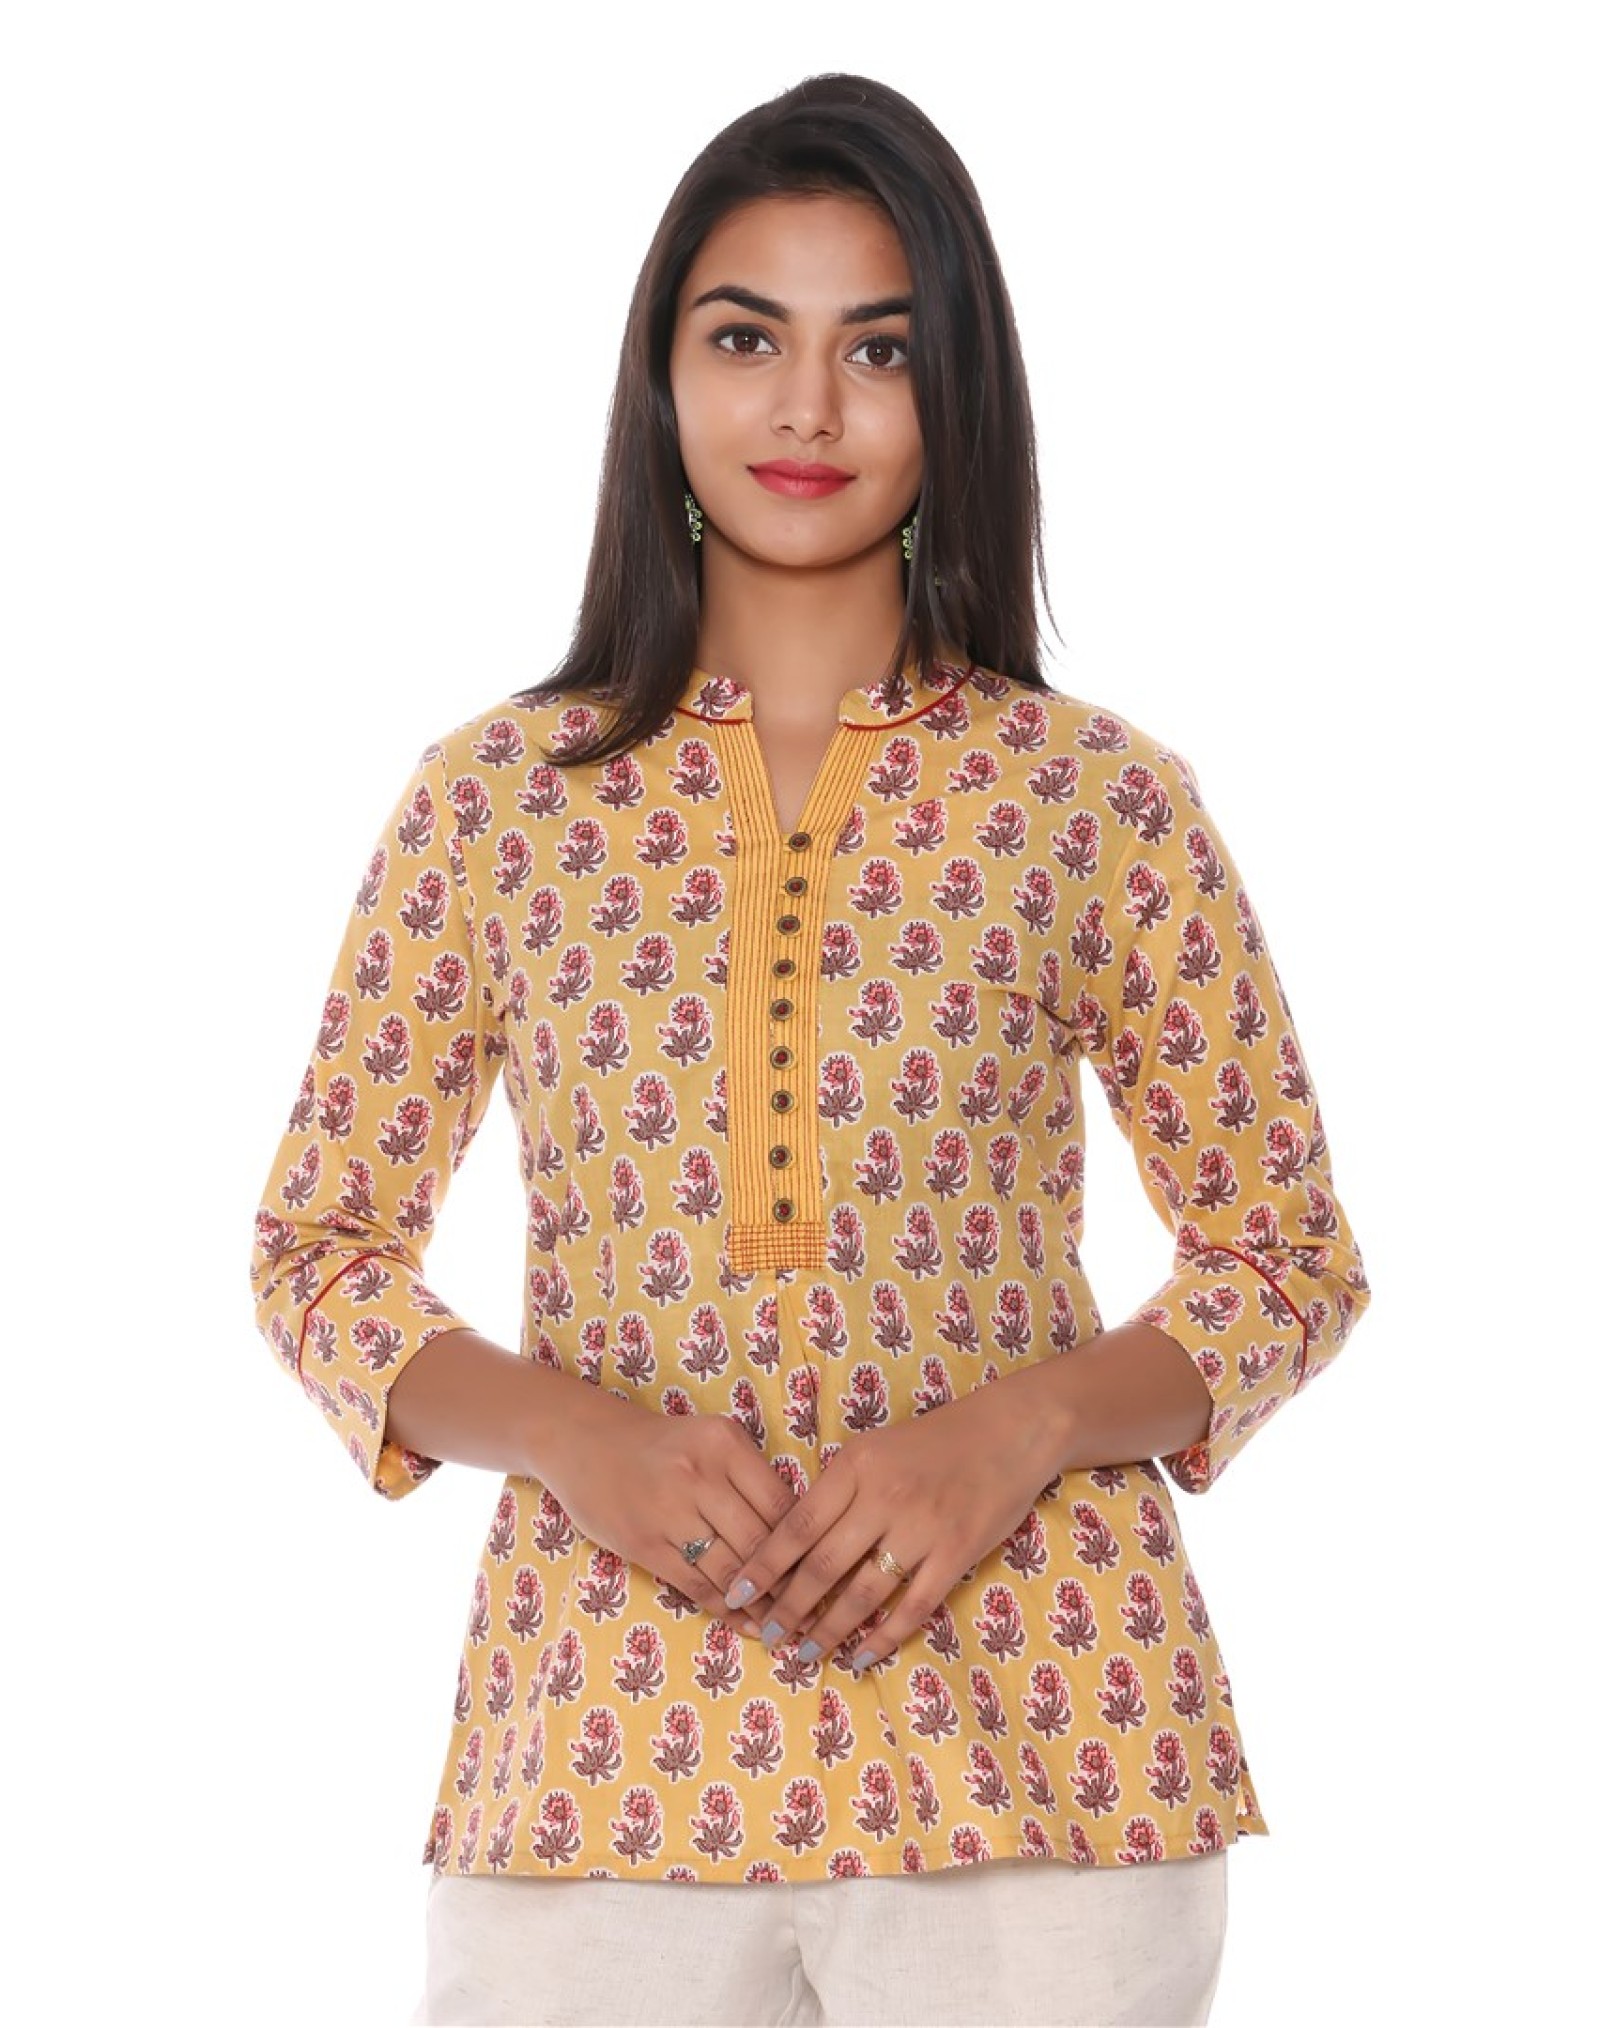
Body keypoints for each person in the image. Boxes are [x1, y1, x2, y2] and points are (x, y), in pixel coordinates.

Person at [249, 71, 1372, 2028]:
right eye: (746, 337)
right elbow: (317, 1252)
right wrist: (568, 1433)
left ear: (956, 395)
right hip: (598, 1758)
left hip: (1045, 1752)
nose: (807, 409)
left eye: (880, 348)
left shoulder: (1093, 799)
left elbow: (1286, 1255)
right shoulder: (495, 803)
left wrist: (1016, 1430)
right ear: (660, 378)